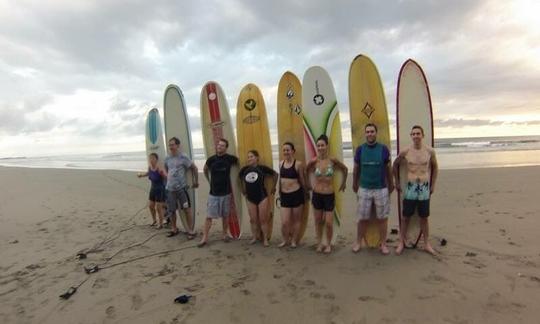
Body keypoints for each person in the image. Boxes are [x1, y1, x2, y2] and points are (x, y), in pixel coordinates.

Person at [393, 125, 439, 255]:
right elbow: (394, 165)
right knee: (406, 217)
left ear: (422, 135)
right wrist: (397, 182)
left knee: (424, 217)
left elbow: (435, 168)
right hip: (411, 188)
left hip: (424, 188)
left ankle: (426, 244)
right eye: (413, 134)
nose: (416, 136)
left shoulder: (430, 152)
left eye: (418, 133)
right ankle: (401, 242)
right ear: (411, 136)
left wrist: (433, 185)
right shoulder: (405, 152)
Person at [351, 124, 394, 254]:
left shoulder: (383, 149)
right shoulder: (360, 150)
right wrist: (354, 183)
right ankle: (358, 242)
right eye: (367, 132)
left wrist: (391, 184)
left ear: (376, 133)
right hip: (364, 188)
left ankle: (383, 244)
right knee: (362, 218)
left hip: (381, 188)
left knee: (382, 218)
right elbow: (356, 168)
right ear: (365, 134)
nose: (370, 134)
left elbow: (388, 169)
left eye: (372, 131)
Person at [305, 134, 348, 253]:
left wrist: (343, 183)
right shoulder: (314, 161)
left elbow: (345, 169)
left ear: (326, 146)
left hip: (329, 195)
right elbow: (306, 170)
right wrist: (308, 184)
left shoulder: (332, 160)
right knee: (318, 221)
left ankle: (328, 244)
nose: (320, 147)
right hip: (317, 194)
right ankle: (319, 243)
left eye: (322, 145)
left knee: (329, 223)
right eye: (318, 145)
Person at [198, 138, 239, 247]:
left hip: (226, 193)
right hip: (214, 193)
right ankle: (204, 237)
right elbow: (205, 169)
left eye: (222, 146)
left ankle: (224, 234)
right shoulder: (211, 159)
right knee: (209, 216)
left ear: (226, 148)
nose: (219, 147)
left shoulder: (230, 159)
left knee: (225, 215)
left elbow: (240, 163)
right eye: (218, 145)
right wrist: (208, 180)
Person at [239, 150, 278, 247]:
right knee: (253, 219)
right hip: (250, 197)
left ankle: (265, 239)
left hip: (262, 197)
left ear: (257, 158)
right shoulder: (245, 169)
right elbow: (239, 178)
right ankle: (254, 237)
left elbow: (275, 174)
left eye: (251, 156)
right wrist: (242, 188)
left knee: (263, 219)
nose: (249, 158)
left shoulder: (262, 168)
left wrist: (273, 187)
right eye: (248, 157)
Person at [164, 137, 198, 239]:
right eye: (169, 145)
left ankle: (191, 231)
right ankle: (174, 229)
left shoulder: (183, 157)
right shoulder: (167, 158)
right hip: (170, 189)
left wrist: (196, 181)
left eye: (173, 144)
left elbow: (194, 168)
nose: (171, 147)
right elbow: (167, 169)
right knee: (172, 210)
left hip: (181, 189)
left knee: (187, 209)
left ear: (178, 145)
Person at [278, 142, 307, 248]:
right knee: (285, 222)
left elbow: (302, 180)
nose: (286, 152)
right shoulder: (280, 163)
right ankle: (285, 240)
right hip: (284, 196)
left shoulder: (298, 164)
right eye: (284, 150)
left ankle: (294, 241)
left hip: (296, 195)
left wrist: (306, 193)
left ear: (293, 151)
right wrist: (279, 193)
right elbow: (280, 180)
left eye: (288, 150)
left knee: (296, 220)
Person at [137, 153, 167, 228]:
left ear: (156, 159)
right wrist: (141, 175)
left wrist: (163, 174)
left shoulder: (159, 167)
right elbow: (148, 173)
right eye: (150, 158)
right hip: (153, 188)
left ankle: (161, 223)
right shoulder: (150, 167)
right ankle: (154, 220)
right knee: (151, 206)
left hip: (160, 189)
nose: (151, 160)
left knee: (158, 207)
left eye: (153, 158)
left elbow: (166, 177)